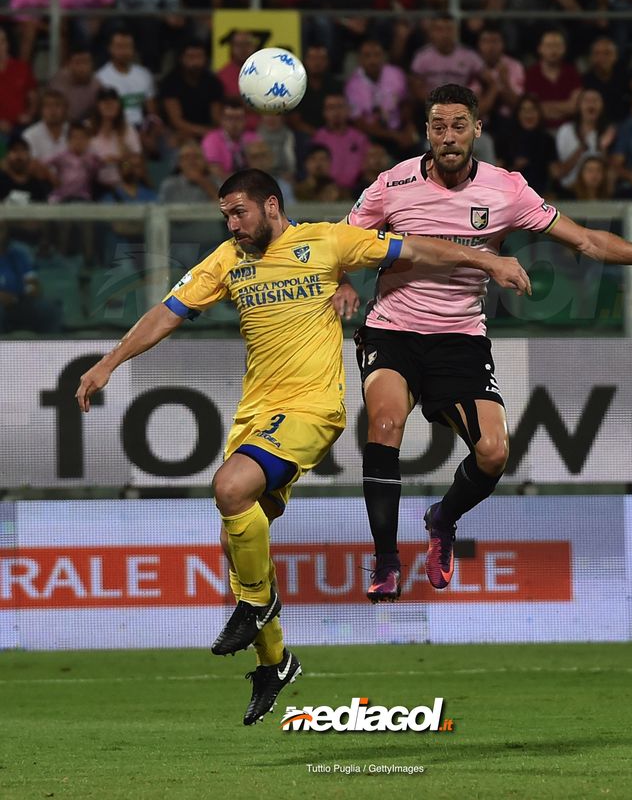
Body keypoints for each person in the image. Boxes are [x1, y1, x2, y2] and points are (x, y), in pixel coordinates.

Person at [75, 166, 530, 723]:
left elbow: (419, 249)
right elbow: (167, 314)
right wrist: (109, 362)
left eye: (238, 212)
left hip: (313, 408)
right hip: (255, 415)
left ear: (270, 205)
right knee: (240, 530)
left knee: (230, 487)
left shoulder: (326, 241)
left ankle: (256, 605)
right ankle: (274, 662)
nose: (232, 225)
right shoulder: (226, 261)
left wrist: (489, 259)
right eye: (225, 216)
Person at [341, 83, 632, 603]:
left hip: (460, 339)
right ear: (427, 131)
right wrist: (336, 283)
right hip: (393, 330)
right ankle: (384, 561)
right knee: (384, 423)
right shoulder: (390, 184)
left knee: (493, 453)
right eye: (438, 127)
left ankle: (442, 520)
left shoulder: (506, 190)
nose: (448, 137)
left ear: (477, 130)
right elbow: (342, 242)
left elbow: (583, 239)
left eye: (459, 126)